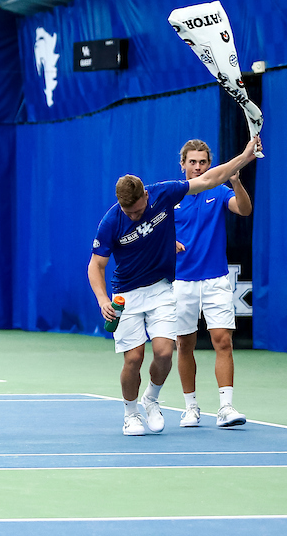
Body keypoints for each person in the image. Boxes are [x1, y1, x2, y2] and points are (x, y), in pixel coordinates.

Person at [88, 136, 261, 436]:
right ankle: (131, 414)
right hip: (126, 295)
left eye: (137, 209)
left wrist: (245, 156)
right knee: (134, 359)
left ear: (145, 194)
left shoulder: (165, 194)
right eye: (127, 212)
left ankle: (152, 399)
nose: (133, 215)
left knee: (165, 352)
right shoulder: (111, 221)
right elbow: (96, 265)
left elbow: (213, 178)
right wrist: (103, 298)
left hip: (161, 289)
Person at [173, 139, 252, 429]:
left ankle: (226, 407)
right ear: (182, 164)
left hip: (216, 279)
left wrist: (237, 183)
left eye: (203, 162)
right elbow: (152, 230)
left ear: (209, 164)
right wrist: (168, 241)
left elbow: (243, 210)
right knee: (184, 344)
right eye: (192, 162)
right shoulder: (172, 196)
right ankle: (190, 408)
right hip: (181, 282)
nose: (197, 167)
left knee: (223, 341)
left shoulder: (219, 192)